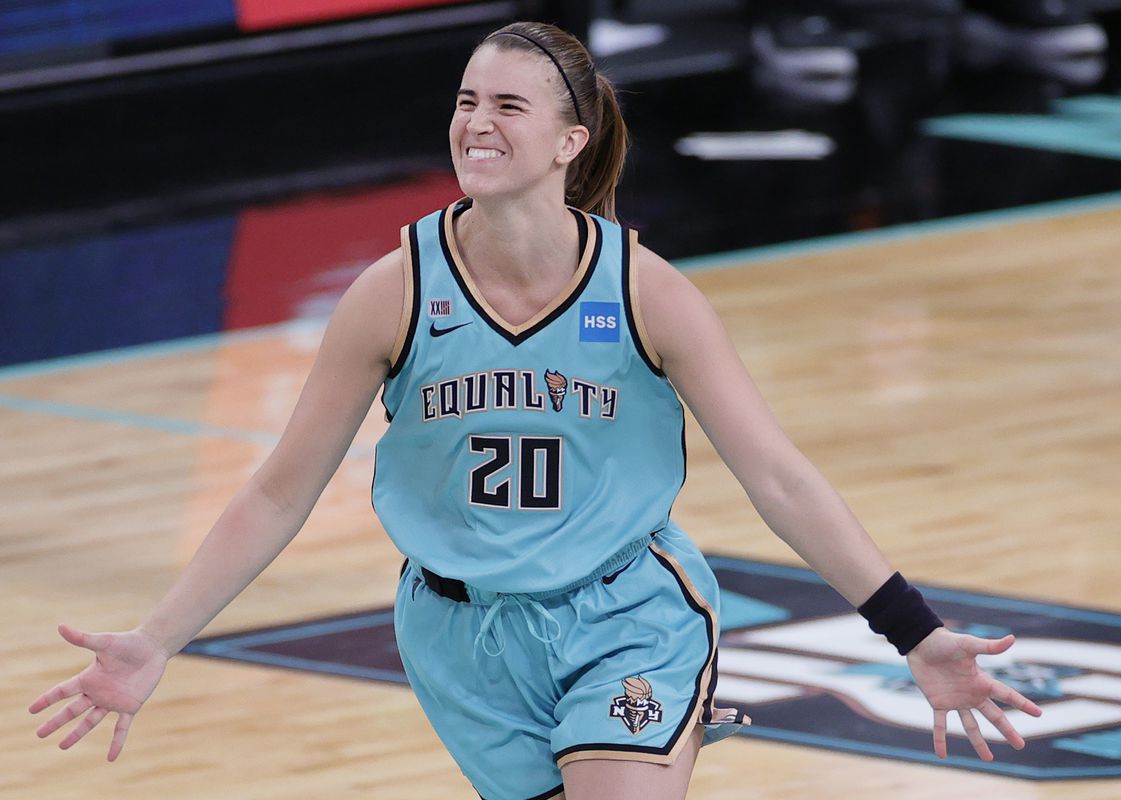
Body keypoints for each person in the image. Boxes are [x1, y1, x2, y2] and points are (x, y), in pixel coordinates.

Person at [28, 20, 1043, 800]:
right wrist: (159, 635)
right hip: (459, 633)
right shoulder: (394, 290)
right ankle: (672, 730)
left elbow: (778, 475)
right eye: (468, 99)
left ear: (572, 138)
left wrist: (912, 630)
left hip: (623, 614)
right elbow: (278, 487)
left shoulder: (647, 292)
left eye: (509, 106)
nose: (477, 121)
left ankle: (660, 714)